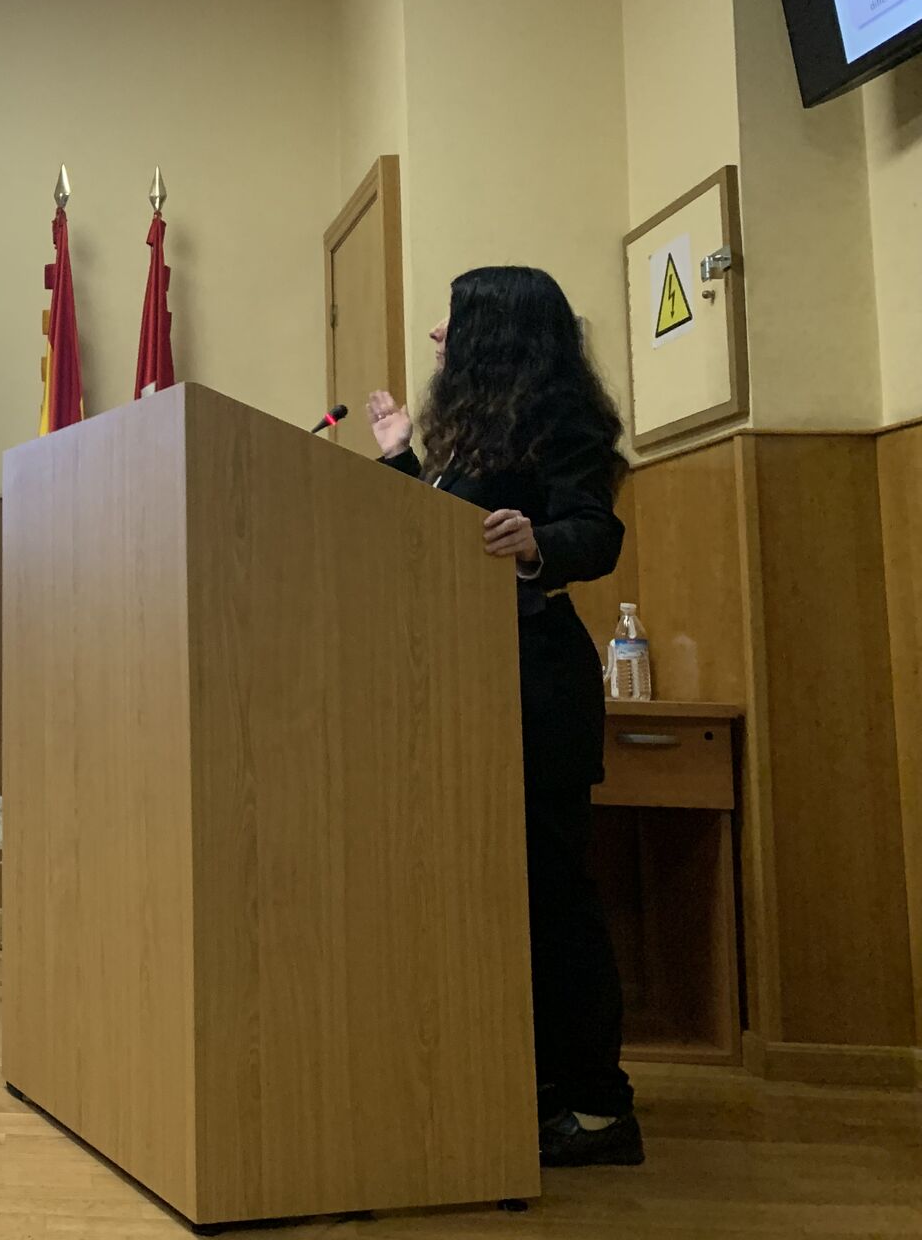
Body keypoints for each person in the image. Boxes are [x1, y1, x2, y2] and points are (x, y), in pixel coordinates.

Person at [366, 265, 642, 1169]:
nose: (437, 336)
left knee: (554, 900)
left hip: (535, 692)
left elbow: (594, 532)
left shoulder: (563, 421)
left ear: (497, 332)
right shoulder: (474, 435)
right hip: (470, 692)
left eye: (453, 320)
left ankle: (599, 1106)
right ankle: (530, 1086)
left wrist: (536, 544)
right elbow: (443, 542)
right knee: (496, 896)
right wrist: (403, 460)